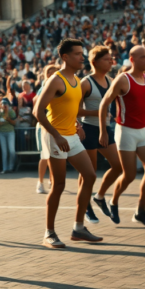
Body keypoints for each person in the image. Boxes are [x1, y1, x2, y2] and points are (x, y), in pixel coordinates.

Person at [34, 39, 101, 249]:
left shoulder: (76, 80)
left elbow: (70, 109)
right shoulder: (56, 80)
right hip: (56, 137)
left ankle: (79, 228)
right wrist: (57, 136)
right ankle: (49, 233)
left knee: (89, 176)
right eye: (78, 54)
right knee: (59, 185)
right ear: (65, 57)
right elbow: (37, 111)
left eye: (83, 53)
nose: (82, 57)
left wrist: (78, 124)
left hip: (71, 135)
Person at [99, 45, 145, 228]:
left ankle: (140, 212)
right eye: (143, 57)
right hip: (125, 131)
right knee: (129, 174)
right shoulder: (123, 79)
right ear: (132, 59)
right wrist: (103, 130)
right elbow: (104, 104)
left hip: (143, 130)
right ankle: (114, 201)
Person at [78, 46, 123, 223]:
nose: (111, 61)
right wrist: (96, 113)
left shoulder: (111, 81)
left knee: (118, 166)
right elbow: (75, 110)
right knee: (89, 173)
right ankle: (85, 205)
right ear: (95, 62)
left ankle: (100, 195)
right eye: (106, 59)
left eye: (111, 58)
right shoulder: (86, 83)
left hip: (105, 129)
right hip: (88, 130)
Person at [33, 66, 58, 193]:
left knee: (53, 156)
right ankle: (40, 182)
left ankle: (52, 181)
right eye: (52, 73)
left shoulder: (57, 87)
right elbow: (36, 105)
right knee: (44, 155)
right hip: (44, 126)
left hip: (55, 125)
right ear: (47, 74)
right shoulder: (44, 88)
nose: (55, 76)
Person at [0, 98, 17, 173]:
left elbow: (14, 123)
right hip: (1, 133)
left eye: (5, 104)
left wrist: (8, 119)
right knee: (4, 151)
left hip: (10, 132)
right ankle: (5, 168)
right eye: (2, 104)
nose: (4, 105)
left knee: (11, 150)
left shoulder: (11, 111)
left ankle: (10, 167)